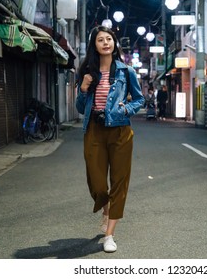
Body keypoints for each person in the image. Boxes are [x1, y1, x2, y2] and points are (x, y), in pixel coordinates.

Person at [75, 25, 144, 253]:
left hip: (120, 131)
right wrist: (83, 88)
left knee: (119, 183)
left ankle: (109, 235)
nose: (105, 42)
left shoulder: (126, 71)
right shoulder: (88, 71)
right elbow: (80, 108)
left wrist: (125, 110)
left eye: (109, 39)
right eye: (100, 40)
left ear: (114, 43)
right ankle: (105, 209)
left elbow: (139, 99)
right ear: (94, 45)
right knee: (96, 182)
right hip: (94, 128)